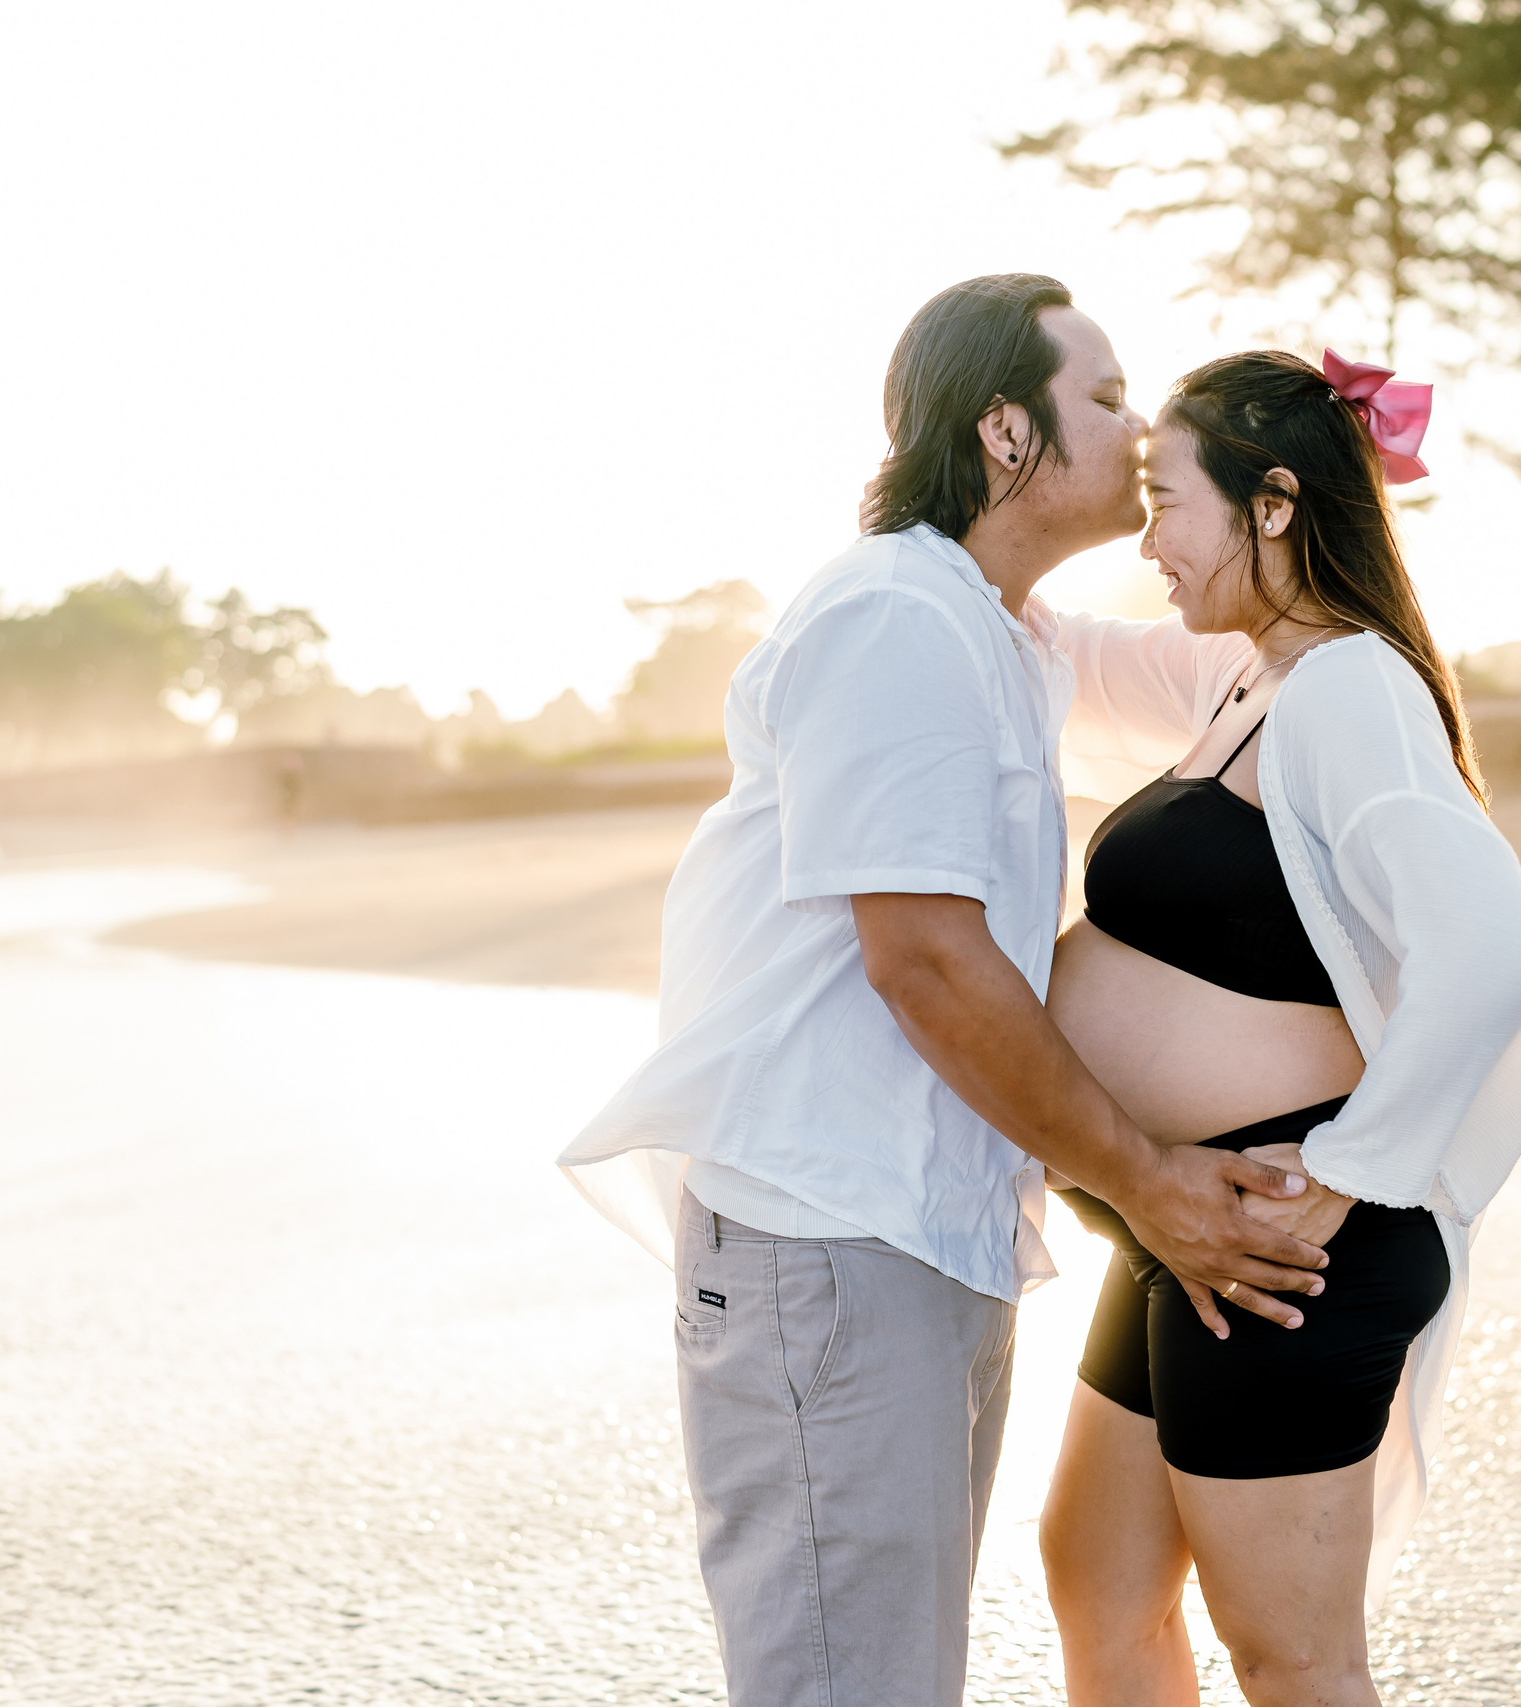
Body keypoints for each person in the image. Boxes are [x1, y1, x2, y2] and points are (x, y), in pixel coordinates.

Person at [558, 277, 1334, 1707]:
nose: (1143, 425)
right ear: (1005, 433)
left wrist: (1314, 484)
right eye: (1105, 398)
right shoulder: (897, 618)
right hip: (831, 1244)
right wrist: (1152, 1181)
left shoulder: (1007, 629)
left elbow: (1238, 662)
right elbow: (922, 957)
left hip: (919, 1239)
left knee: (891, 1677)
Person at [1039, 349, 1521, 1706]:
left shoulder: (1346, 688)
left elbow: (1496, 950)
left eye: (1169, 503)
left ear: (1273, 506)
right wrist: (954, 528)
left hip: (1289, 1244)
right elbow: (1068, 657)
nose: (1150, 543)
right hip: (1189, 1222)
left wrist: (1341, 1182)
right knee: (1099, 1583)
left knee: (1291, 1660)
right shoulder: (1244, 681)